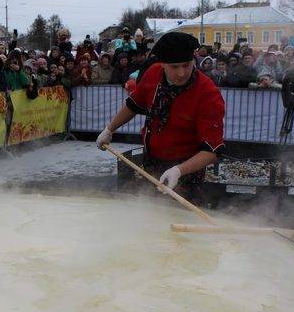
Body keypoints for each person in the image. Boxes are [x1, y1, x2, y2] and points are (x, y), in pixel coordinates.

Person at [96, 32, 225, 199]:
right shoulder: (153, 73)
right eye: (174, 67)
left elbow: (212, 151)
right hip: (151, 161)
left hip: (187, 171)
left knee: (179, 217)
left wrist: (179, 170)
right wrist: (109, 129)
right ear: (162, 64)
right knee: (149, 212)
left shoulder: (208, 94)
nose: (181, 73)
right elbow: (133, 104)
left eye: (187, 65)